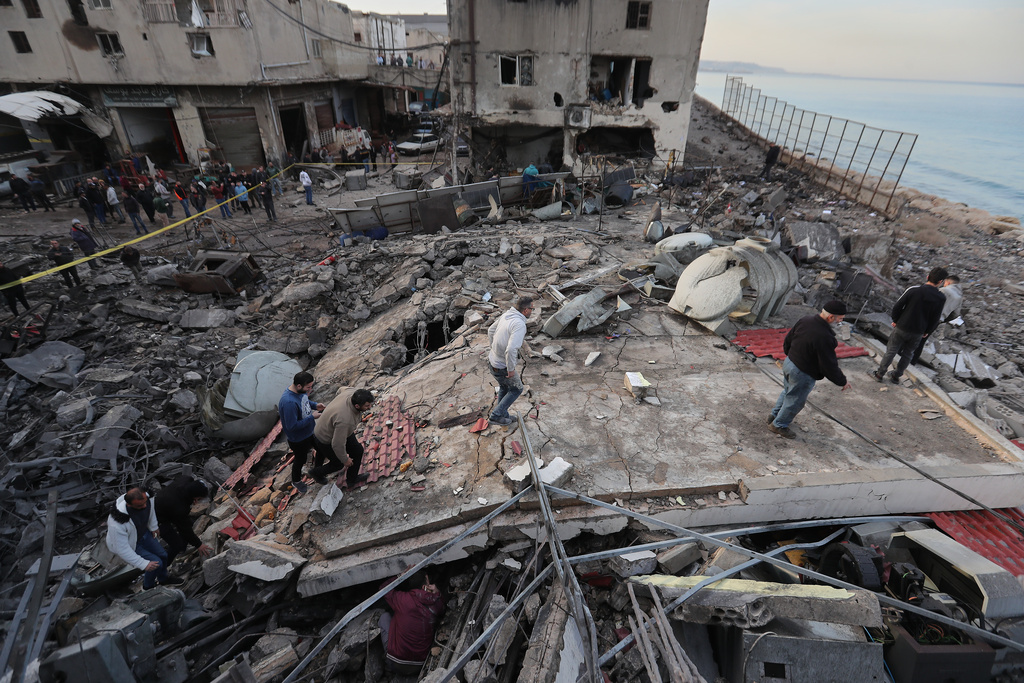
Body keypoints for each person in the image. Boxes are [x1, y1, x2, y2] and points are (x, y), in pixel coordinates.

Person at [767, 301, 851, 439]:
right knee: (795, 400)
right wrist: (842, 381)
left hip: (789, 363)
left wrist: (791, 355)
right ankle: (779, 425)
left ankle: (774, 415)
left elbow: (789, 339)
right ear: (831, 318)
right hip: (802, 373)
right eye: (840, 319)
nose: (840, 322)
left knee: (788, 391)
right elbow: (829, 365)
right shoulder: (825, 336)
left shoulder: (806, 320)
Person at [872, 267, 948, 384]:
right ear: (940, 282)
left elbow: (898, 306)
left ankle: (879, 374)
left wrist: (896, 320)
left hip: (902, 326)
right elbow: (935, 318)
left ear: (927, 277)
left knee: (891, 351)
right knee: (908, 354)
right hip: (918, 331)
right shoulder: (941, 298)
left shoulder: (913, 290)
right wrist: (927, 331)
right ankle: (896, 376)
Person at [106, 487, 184, 589]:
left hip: (144, 535)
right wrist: (143, 564)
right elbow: (121, 548)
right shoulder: (117, 523)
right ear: (129, 504)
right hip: (131, 543)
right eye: (140, 505)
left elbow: (150, 512)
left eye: (145, 502)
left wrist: (153, 527)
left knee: (163, 555)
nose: (144, 506)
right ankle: (148, 586)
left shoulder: (147, 498)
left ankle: (163, 579)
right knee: (156, 563)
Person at [378, 571, 446, 674]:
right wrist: (438, 593)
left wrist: (399, 576)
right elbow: (443, 609)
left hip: (396, 664)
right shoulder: (435, 602)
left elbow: (383, 588)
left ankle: (388, 664)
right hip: (420, 665)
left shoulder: (401, 598)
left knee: (384, 617)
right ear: (426, 580)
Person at [311, 388, 374, 487]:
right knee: (338, 464)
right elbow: (337, 444)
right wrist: (345, 459)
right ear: (357, 405)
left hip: (336, 429)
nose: (370, 407)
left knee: (358, 451)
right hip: (325, 438)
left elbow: (341, 389)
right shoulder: (345, 420)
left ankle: (351, 480)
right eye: (367, 406)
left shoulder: (351, 393)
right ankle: (315, 473)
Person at [487, 296, 535, 426]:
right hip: (502, 366)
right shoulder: (519, 324)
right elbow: (511, 349)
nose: (532, 311)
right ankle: (496, 416)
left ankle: (503, 414)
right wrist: (511, 368)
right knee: (517, 389)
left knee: (504, 386)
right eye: (532, 308)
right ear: (525, 310)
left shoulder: (507, 315)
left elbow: (490, 330)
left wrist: (494, 349)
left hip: (493, 361)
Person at [279, 371, 326, 493]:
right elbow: (292, 426)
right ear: (298, 385)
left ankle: (317, 472)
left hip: (310, 431)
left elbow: (304, 402)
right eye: (308, 387)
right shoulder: (288, 402)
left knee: (321, 449)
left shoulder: (300, 392)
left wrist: (315, 405)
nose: (310, 389)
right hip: (298, 439)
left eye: (311, 386)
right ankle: (296, 481)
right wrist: (312, 417)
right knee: (301, 460)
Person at [154, 476, 213, 566]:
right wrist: (199, 545)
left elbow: (188, 478)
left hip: (163, 503)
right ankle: (162, 567)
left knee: (188, 524)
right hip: (157, 518)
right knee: (176, 545)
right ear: (194, 496)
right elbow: (184, 529)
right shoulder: (180, 508)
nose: (197, 502)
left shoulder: (185, 480)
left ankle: (183, 548)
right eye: (198, 499)